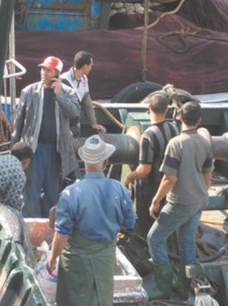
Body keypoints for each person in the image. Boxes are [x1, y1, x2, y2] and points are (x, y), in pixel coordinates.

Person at [47, 135, 136, 306]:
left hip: (76, 263)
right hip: (104, 259)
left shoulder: (70, 193)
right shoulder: (120, 189)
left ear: (83, 161)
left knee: (74, 300)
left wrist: (52, 258)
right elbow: (129, 222)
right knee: (101, 298)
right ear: (106, 163)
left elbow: (62, 234)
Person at [145, 99, 213, 300]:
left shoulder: (176, 143)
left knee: (154, 238)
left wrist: (156, 200)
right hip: (199, 200)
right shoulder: (204, 142)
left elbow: (169, 178)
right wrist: (200, 192)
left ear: (180, 118)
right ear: (199, 120)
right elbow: (208, 176)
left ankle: (163, 286)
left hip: (180, 202)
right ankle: (183, 287)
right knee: (186, 241)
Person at [11, 56, 80, 218]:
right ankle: (30, 230)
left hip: (56, 151)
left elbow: (74, 113)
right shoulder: (29, 92)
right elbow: (18, 124)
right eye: (43, 69)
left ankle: (47, 231)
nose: (44, 72)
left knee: (52, 192)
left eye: (48, 70)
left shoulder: (68, 92)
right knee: (30, 192)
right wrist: (14, 152)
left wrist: (59, 94)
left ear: (57, 73)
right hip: (34, 150)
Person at [124, 92, 179, 235]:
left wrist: (130, 177)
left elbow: (144, 170)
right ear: (167, 109)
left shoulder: (148, 136)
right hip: (171, 186)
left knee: (148, 226)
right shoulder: (174, 128)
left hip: (151, 189)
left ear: (149, 107)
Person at [60, 50, 106, 135]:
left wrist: (94, 124)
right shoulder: (63, 81)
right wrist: (65, 128)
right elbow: (60, 107)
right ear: (85, 67)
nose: (91, 68)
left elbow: (87, 103)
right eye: (90, 66)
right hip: (64, 128)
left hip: (75, 125)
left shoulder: (84, 79)